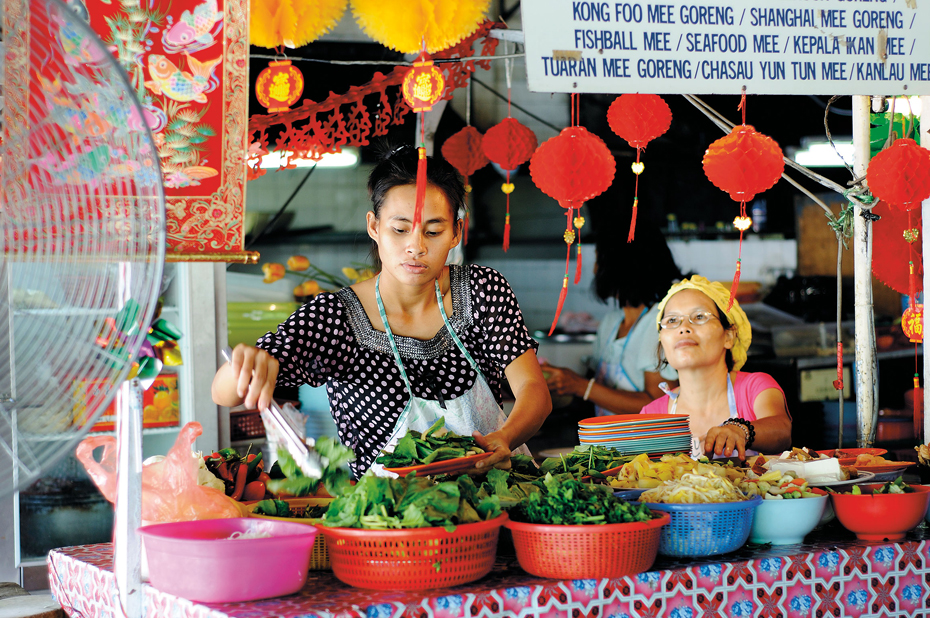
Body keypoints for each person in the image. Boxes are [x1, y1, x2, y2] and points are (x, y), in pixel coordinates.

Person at [212, 145, 552, 477]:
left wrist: (505, 438)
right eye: (400, 229)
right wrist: (248, 363)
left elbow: (533, 391)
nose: (416, 246)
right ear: (374, 226)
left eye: (433, 231)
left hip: (495, 495)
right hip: (389, 518)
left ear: (456, 233)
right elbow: (224, 393)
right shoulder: (334, 318)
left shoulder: (481, 290)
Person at [641, 275, 792, 460]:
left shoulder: (754, 388)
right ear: (662, 340)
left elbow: (782, 432)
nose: (683, 328)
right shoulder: (651, 416)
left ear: (728, 336)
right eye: (672, 320)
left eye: (699, 317)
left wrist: (740, 431)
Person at [542, 222, 681, 415]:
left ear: (621, 266)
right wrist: (561, 381)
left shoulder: (659, 322)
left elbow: (659, 403)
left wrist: (581, 386)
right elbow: (593, 391)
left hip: (643, 442)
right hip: (606, 440)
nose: (594, 271)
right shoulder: (611, 322)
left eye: (599, 262)